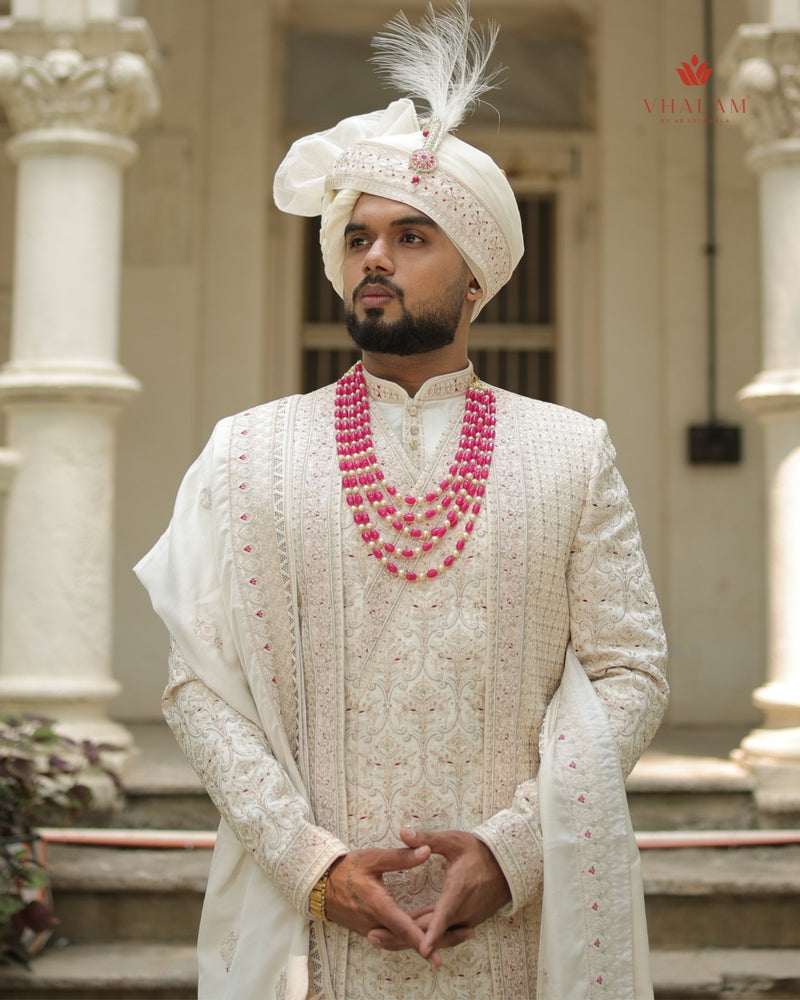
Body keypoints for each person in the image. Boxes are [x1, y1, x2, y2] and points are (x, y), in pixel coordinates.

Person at [135, 4, 668, 998]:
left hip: (511, 932)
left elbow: (630, 669)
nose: (373, 258)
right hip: (320, 939)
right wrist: (311, 865)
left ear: (474, 276)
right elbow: (197, 688)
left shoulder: (568, 451)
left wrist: (511, 854)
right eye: (359, 237)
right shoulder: (245, 453)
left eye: (410, 236)